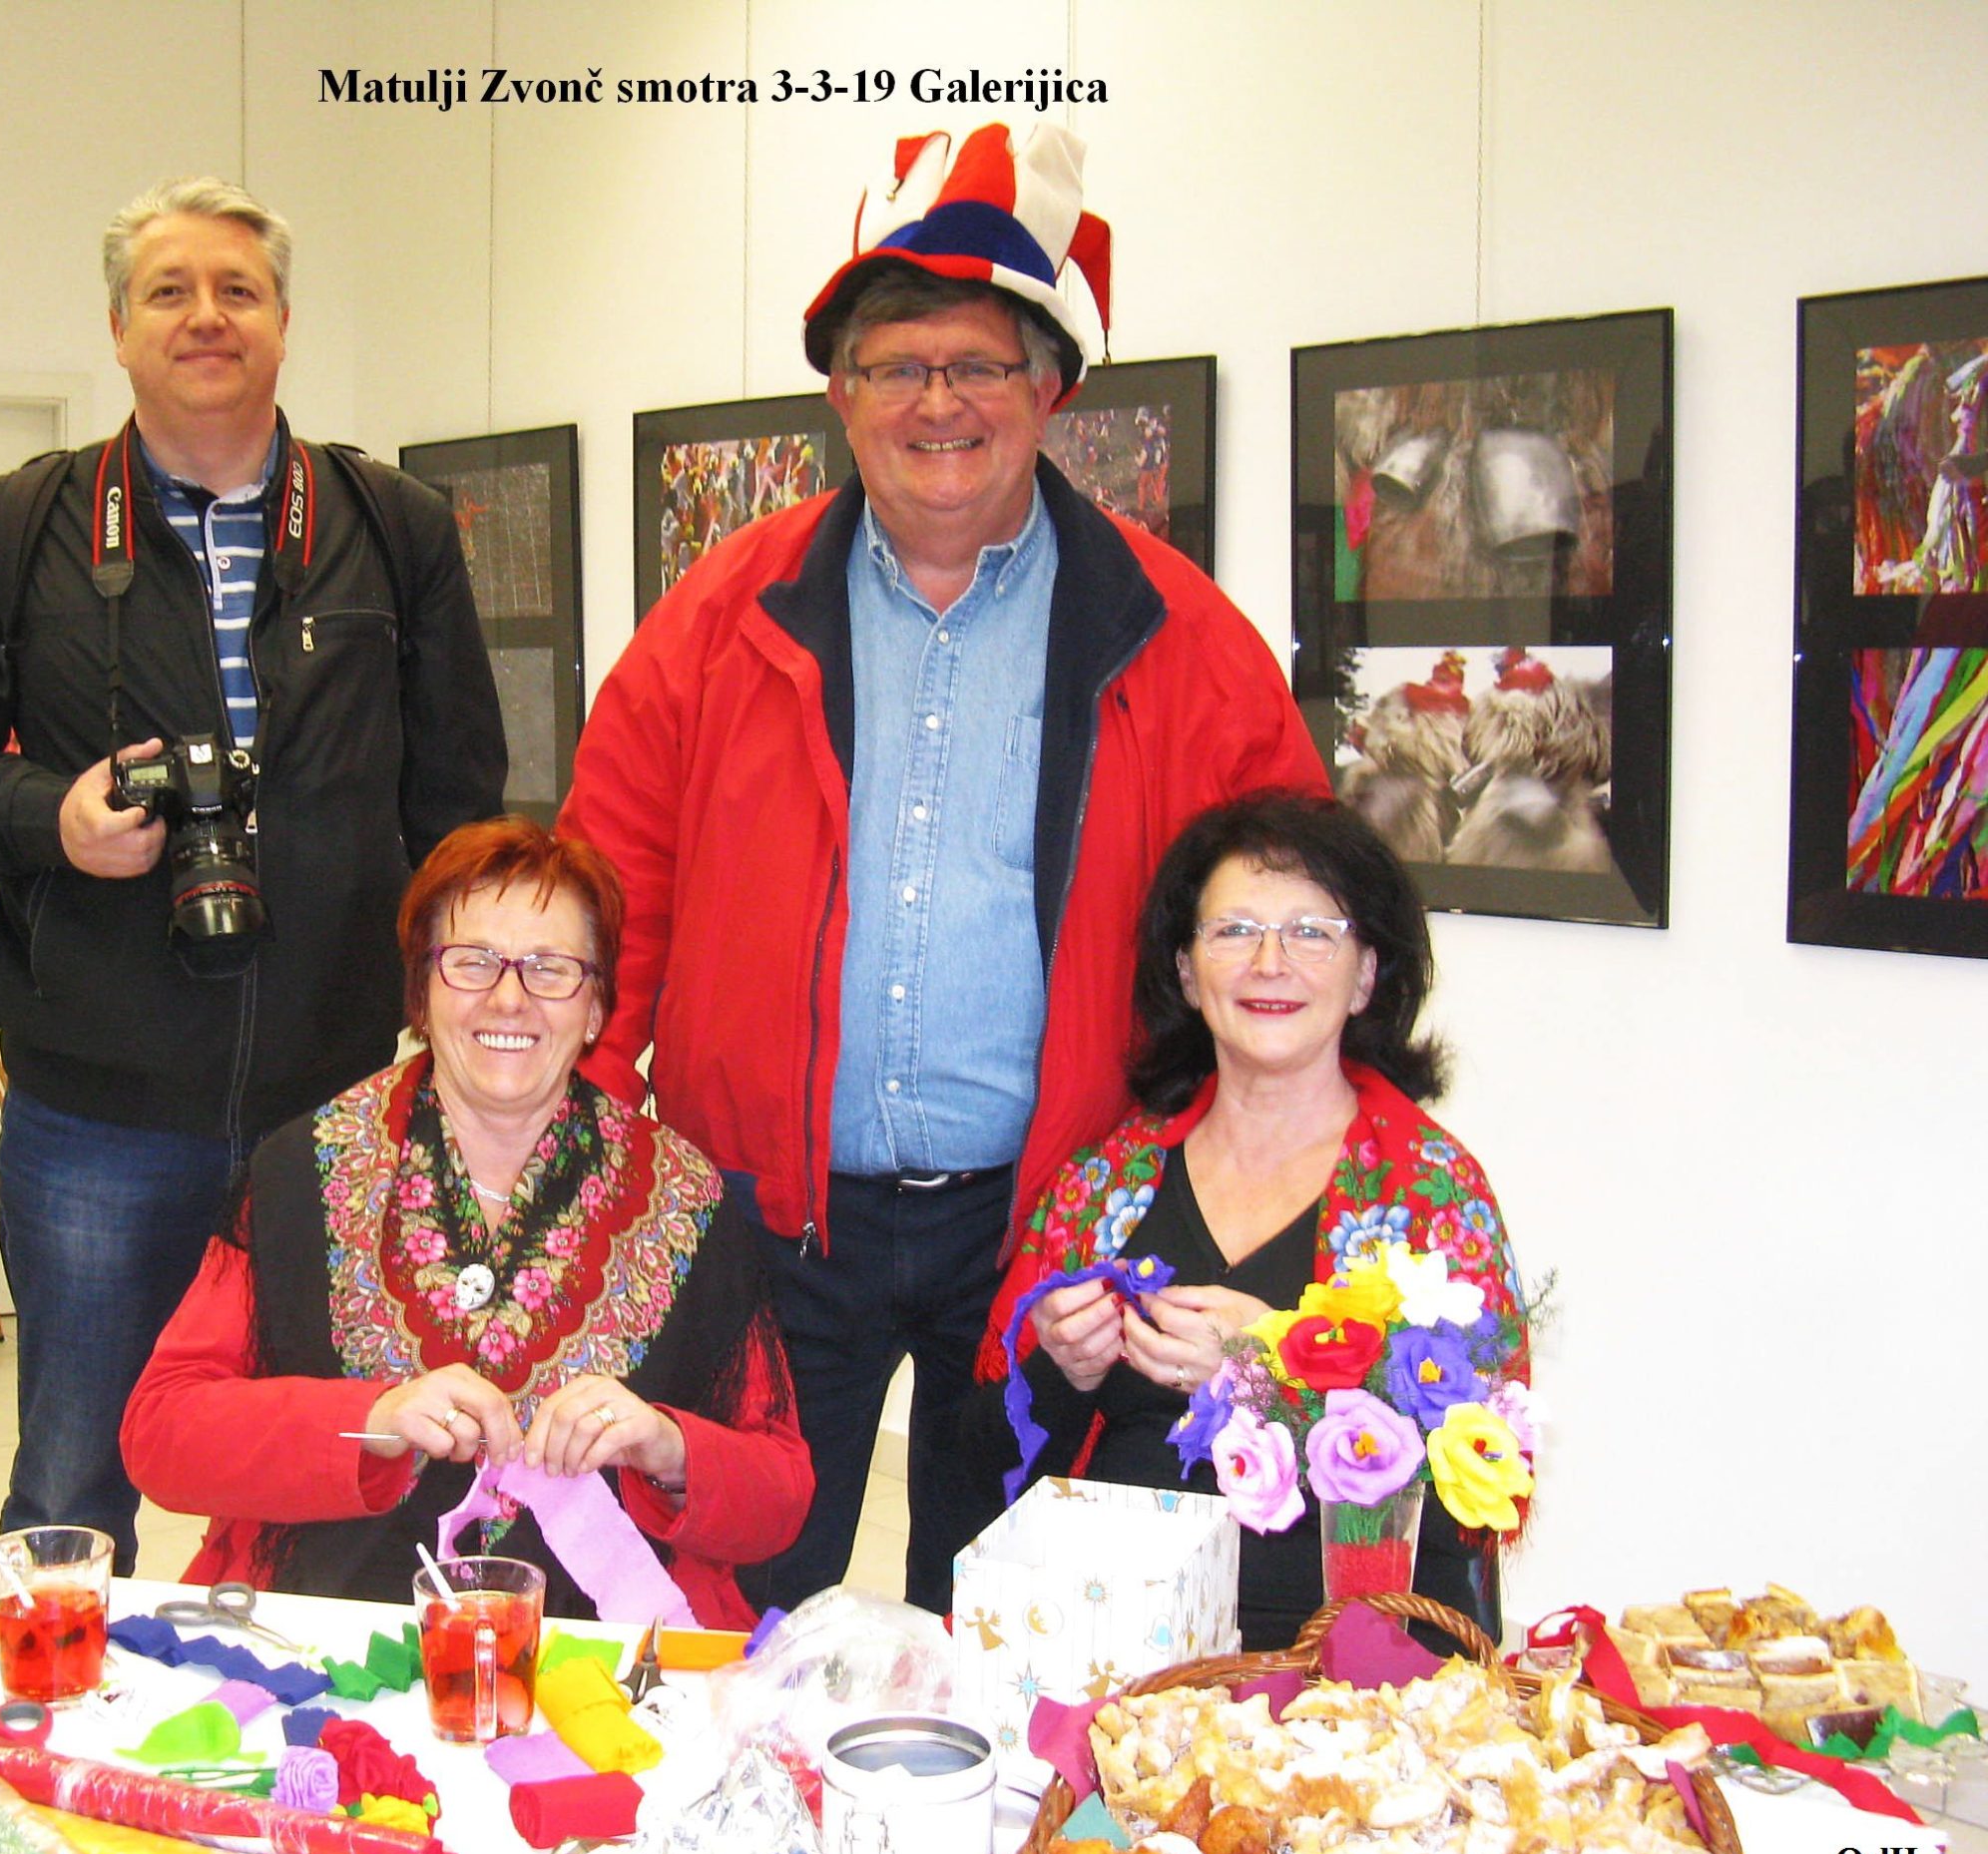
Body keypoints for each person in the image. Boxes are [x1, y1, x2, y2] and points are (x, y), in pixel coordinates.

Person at [558, 123, 1324, 1614]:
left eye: (978, 363)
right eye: (896, 365)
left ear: (1051, 387)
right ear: (839, 394)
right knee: (725, 1614)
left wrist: (1244, 1174)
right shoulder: (718, 620)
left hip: (1055, 1241)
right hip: (767, 1218)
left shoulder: (1183, 639)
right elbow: (605, 903)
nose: (938, 402)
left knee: (1023, 1631)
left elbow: (1288, 929)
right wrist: (588, 1163)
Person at [0, 178, 505, 1573]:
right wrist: (50, 817)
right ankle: (66, 1702)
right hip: (99, 1108)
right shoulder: (14, 526)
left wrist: (449, 1019)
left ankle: (310, 1709)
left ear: (282, 321)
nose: (206, 317)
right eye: (169, 291)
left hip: (337, 1102)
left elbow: (457, 796)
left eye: (236, 290)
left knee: (345, 1464)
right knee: (73, 1478)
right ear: (117, 328)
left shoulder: (393, 525)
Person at [121, 818, 811, 1626]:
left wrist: (667, 1447)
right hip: (331, 1630)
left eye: (551, 968)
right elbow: (161, 1434)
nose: (509, 998)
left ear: (596, 1007)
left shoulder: (684, 1197)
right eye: (472, 961)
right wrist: (371, 1422)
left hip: (605, 1654)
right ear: (421, 992)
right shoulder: (299, 1171)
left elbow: (781, 1495)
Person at [977, 791, 1528, 1650]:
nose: (1271, 963)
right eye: (1234, 931)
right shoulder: (1107, 1181)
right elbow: (995, 1466)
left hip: (1344, 1656)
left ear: (1367, 975)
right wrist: (1060, 1369)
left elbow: (1483, 1483)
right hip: (1111, 1638)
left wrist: (1272, 1369)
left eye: (1312, 932)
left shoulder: (1432, 1194)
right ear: (1187, 972)